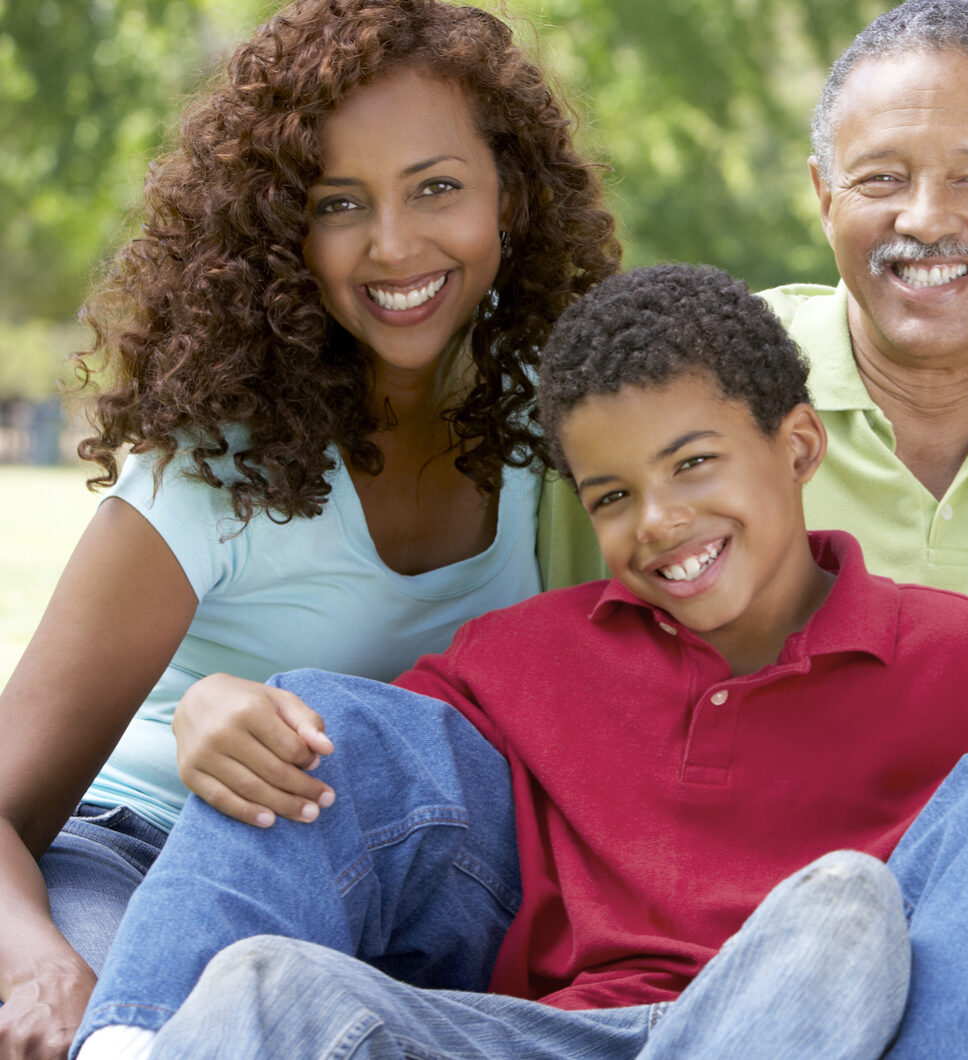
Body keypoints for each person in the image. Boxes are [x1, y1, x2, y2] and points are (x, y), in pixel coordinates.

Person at [74, 263, 968, 1060]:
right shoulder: (533, 654)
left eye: (693, 464)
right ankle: (128, 1046)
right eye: (612, 495)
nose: (658, 521)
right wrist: (225, 706)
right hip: (555, 1037)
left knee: (879, 896)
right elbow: (363, 785)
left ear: (798, 447)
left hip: (844, 1026)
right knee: (281, 916)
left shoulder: (952, 653)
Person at [0, 2, 618, 1056]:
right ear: (282, 229)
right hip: (148, 850)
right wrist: (41, 964)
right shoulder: (215, 467)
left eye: (437, 187)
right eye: (340, 203)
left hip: (386, 879)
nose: (394, 245)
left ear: (509, 197)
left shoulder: (551, 423)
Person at [534, 0, 968, 634]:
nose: (925, 220)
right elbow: (581, 662)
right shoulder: (671, 393)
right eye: (882, 178)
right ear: (826, 199)